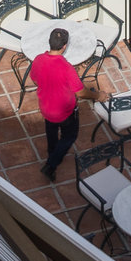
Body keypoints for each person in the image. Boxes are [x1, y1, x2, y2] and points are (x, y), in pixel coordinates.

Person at [32, 27, 85, 179]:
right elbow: (80, 92)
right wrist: (98, 95)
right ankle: (51, 164)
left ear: (49, 42)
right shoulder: (67, 68)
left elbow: (35, 78)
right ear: (64, 46)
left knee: (51, 132)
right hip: (65, 112)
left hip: (46, 108)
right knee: (69, 136)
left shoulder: (38, 60)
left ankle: (52, 153)